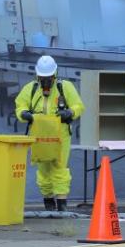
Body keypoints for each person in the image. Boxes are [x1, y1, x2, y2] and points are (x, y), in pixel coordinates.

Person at [14, 55, 84, 212]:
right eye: (42, 78)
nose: (46, 81)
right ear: (38, 76)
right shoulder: (31, 88)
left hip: (60, 135)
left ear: (55, 74)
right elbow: (20, 105)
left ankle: (61, 204)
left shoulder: (64, 87)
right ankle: (48, 202)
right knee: (43, 169)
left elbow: (78, 105)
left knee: (59, 167)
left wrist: (70, 112)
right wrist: (23, 113)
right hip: (39, 135)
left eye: (48, 77)